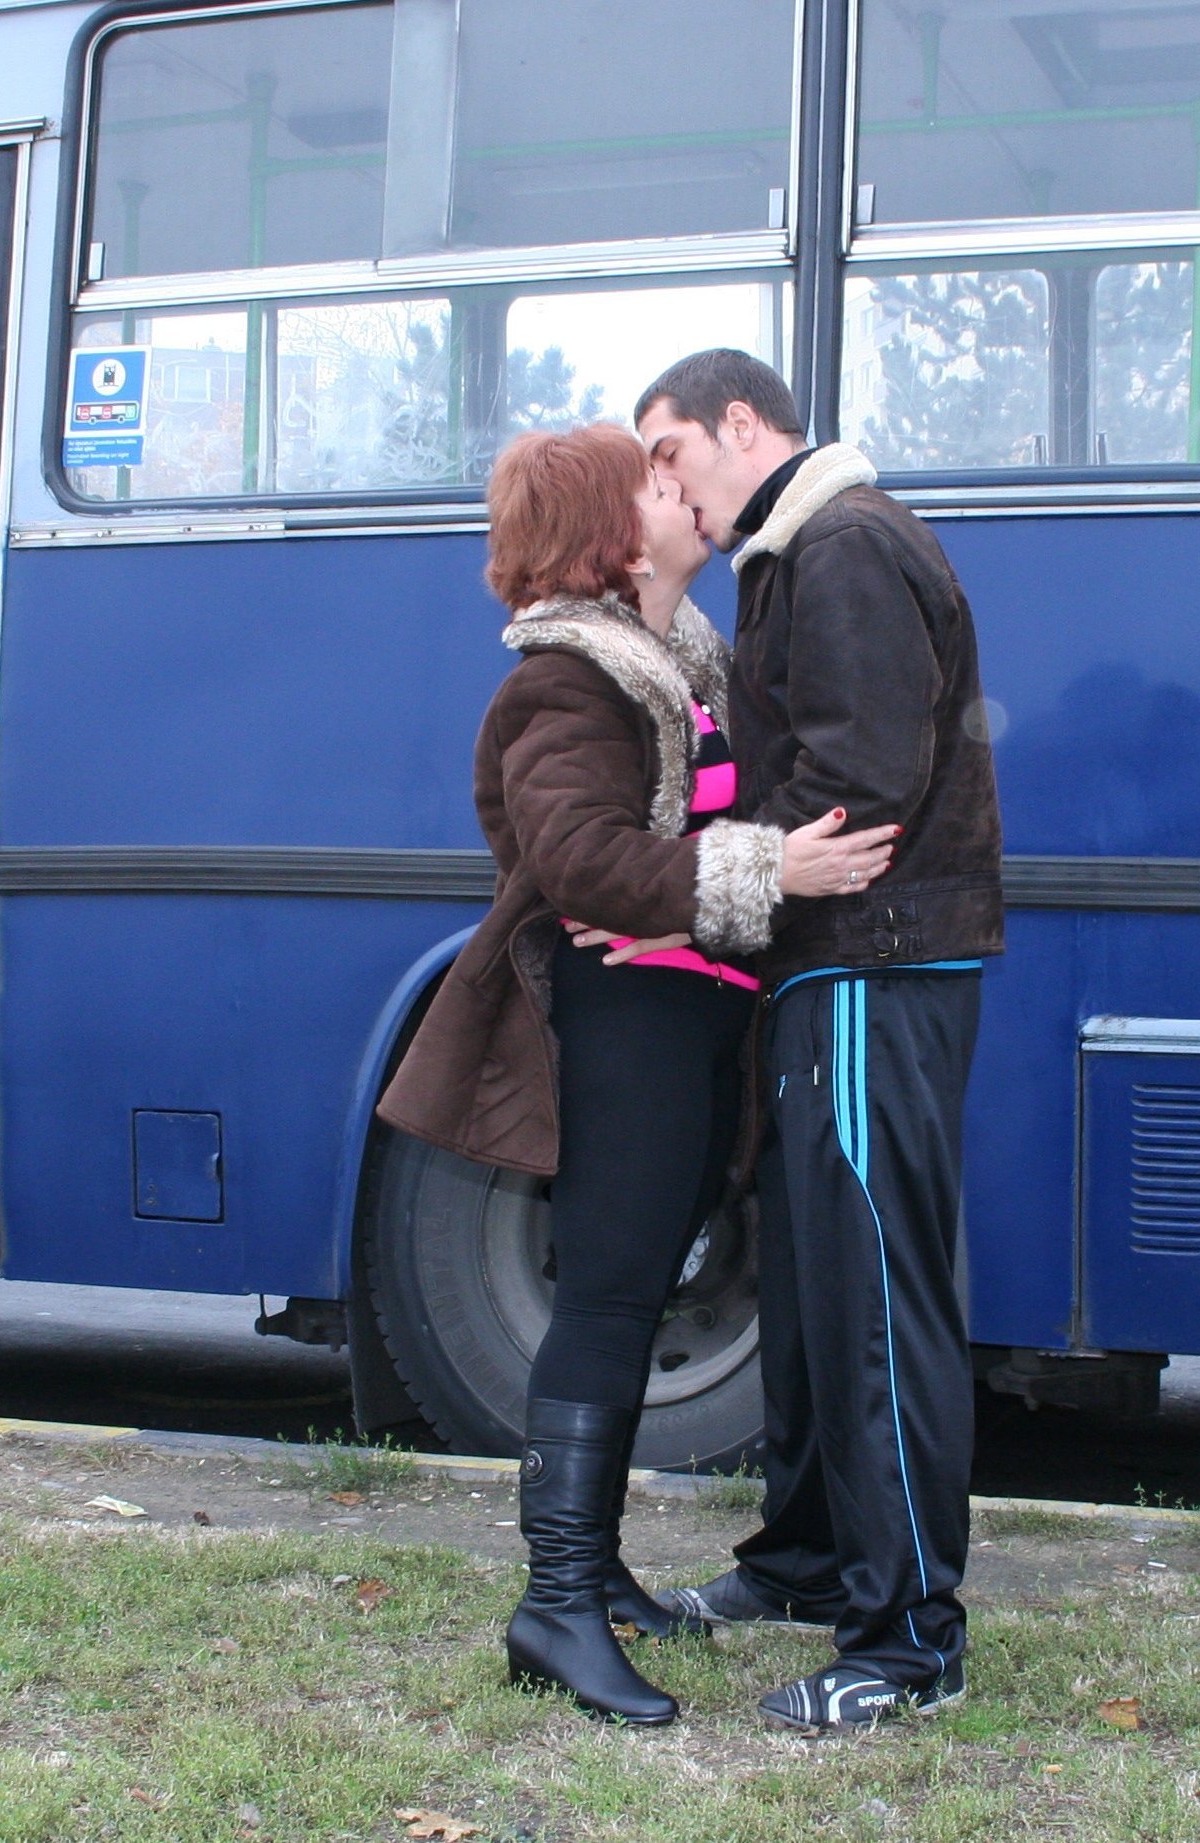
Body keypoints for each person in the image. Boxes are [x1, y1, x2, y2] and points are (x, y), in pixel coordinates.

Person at [375, 422, 896, 1725]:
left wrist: (730, 883)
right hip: (628, 1023)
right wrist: (771, 869)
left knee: (638, 1284)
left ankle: (593, 1572)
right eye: (656, 486)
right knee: (609, 1298)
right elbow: (577, 860)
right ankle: (554, 1605)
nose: (685, 493)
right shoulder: (566, 681)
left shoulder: (681, 665)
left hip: (690, 1010)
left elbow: (662, 838)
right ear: (614, 538)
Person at [633, 349, 1005, 1736]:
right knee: (809, 1292)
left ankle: (908, 1642)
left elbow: (855, 789)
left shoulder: (842, 545)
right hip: (835, 968)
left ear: (741, 424)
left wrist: (711, 870)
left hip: (871, 965)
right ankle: (804, 1563)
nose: (666, 487)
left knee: (871, 1301)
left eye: (672, 451)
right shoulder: (798, 551)